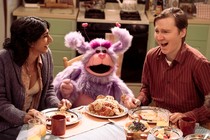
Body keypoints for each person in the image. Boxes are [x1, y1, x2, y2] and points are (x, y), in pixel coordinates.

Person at [135, 7, 210, 126]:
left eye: (165, 32)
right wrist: (138, 101)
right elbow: (146, 89)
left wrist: (187, 116)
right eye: (157, 31)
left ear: (182, 32)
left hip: (191, 126)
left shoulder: (199, 63)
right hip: (158, 123)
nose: (159, 37)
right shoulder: (151, 57)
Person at [0, 16, 72, 139]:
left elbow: (49, 88)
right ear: (30, 41)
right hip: (8, 124)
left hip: (37, 122)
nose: (51, 40)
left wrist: (57, 104)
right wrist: (22, 117)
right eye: (45, 36)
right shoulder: (3, 59)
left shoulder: (46, 54)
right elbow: (1, 101)